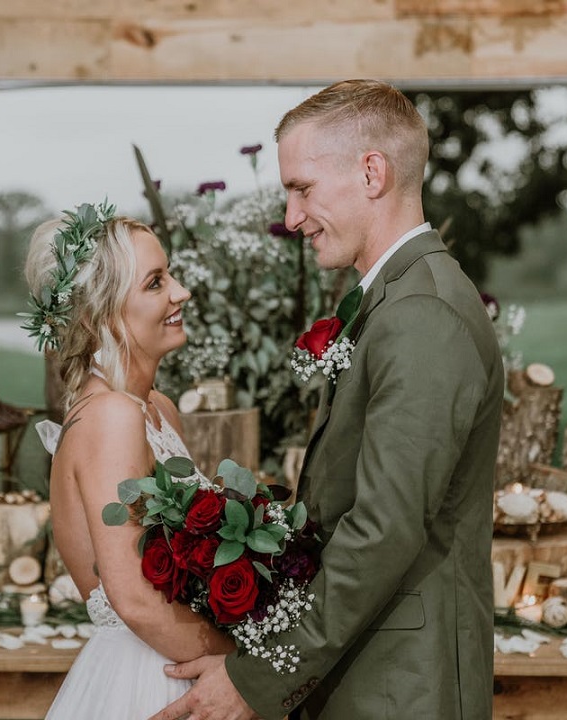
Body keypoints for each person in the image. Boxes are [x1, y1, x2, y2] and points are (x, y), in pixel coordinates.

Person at [153, 79, 505, 720]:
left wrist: (257, 677)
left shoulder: (422, 313)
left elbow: (382, 531)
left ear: (372, 173)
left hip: (404, 688)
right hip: (371, 673)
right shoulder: (398, 298)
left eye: (302, 189)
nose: (291, 218)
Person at [23, 203, 235, 719]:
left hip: (178, 655)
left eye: (172, 276)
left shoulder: (155, 409)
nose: (181, 292)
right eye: (156, 282)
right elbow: (135, 599)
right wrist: (246, 668)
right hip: (149, 676)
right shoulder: (109, 417)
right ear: (103, 314)